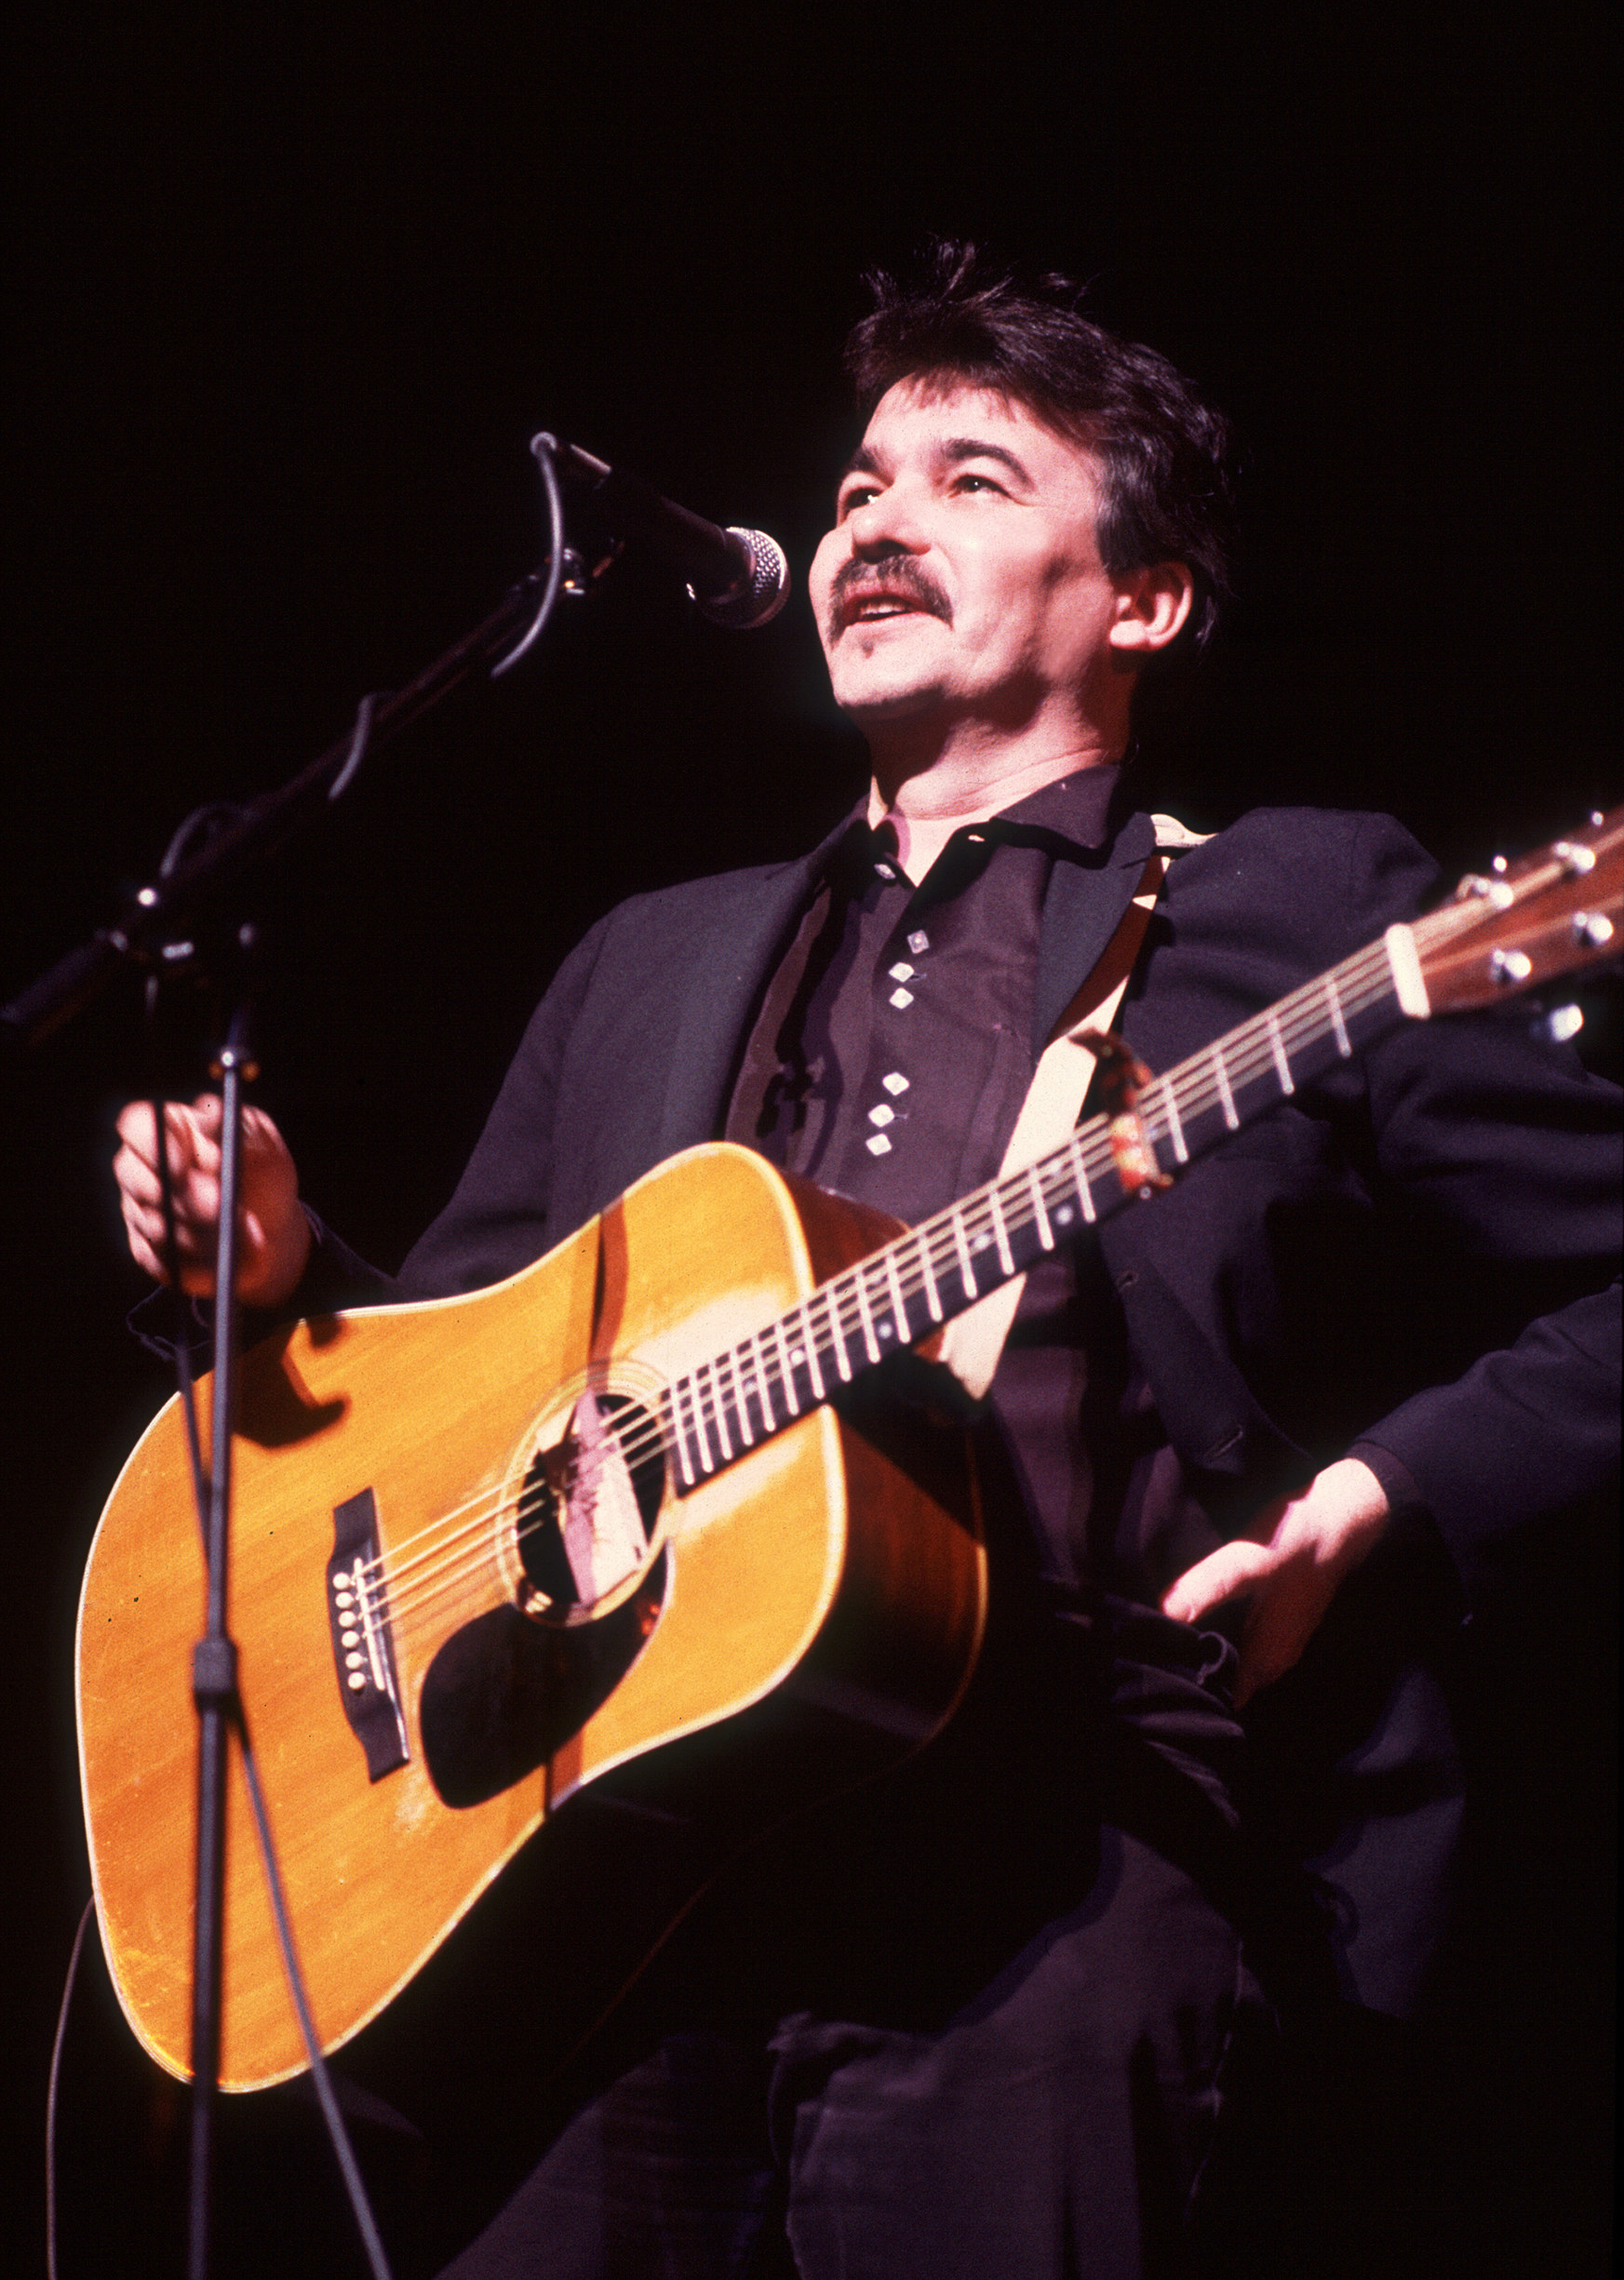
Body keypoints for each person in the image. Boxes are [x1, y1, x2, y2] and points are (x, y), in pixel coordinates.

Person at [112, 244, 1620, 2278]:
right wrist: (286, 1267)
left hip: (1069, 1878)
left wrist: (1382, 1496)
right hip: (640, 1886)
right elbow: (450, 1375)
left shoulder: (1299, 910)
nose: (876, 521)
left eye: (974, 478)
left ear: (1145, 597)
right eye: (853, 490)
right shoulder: (649, 954)